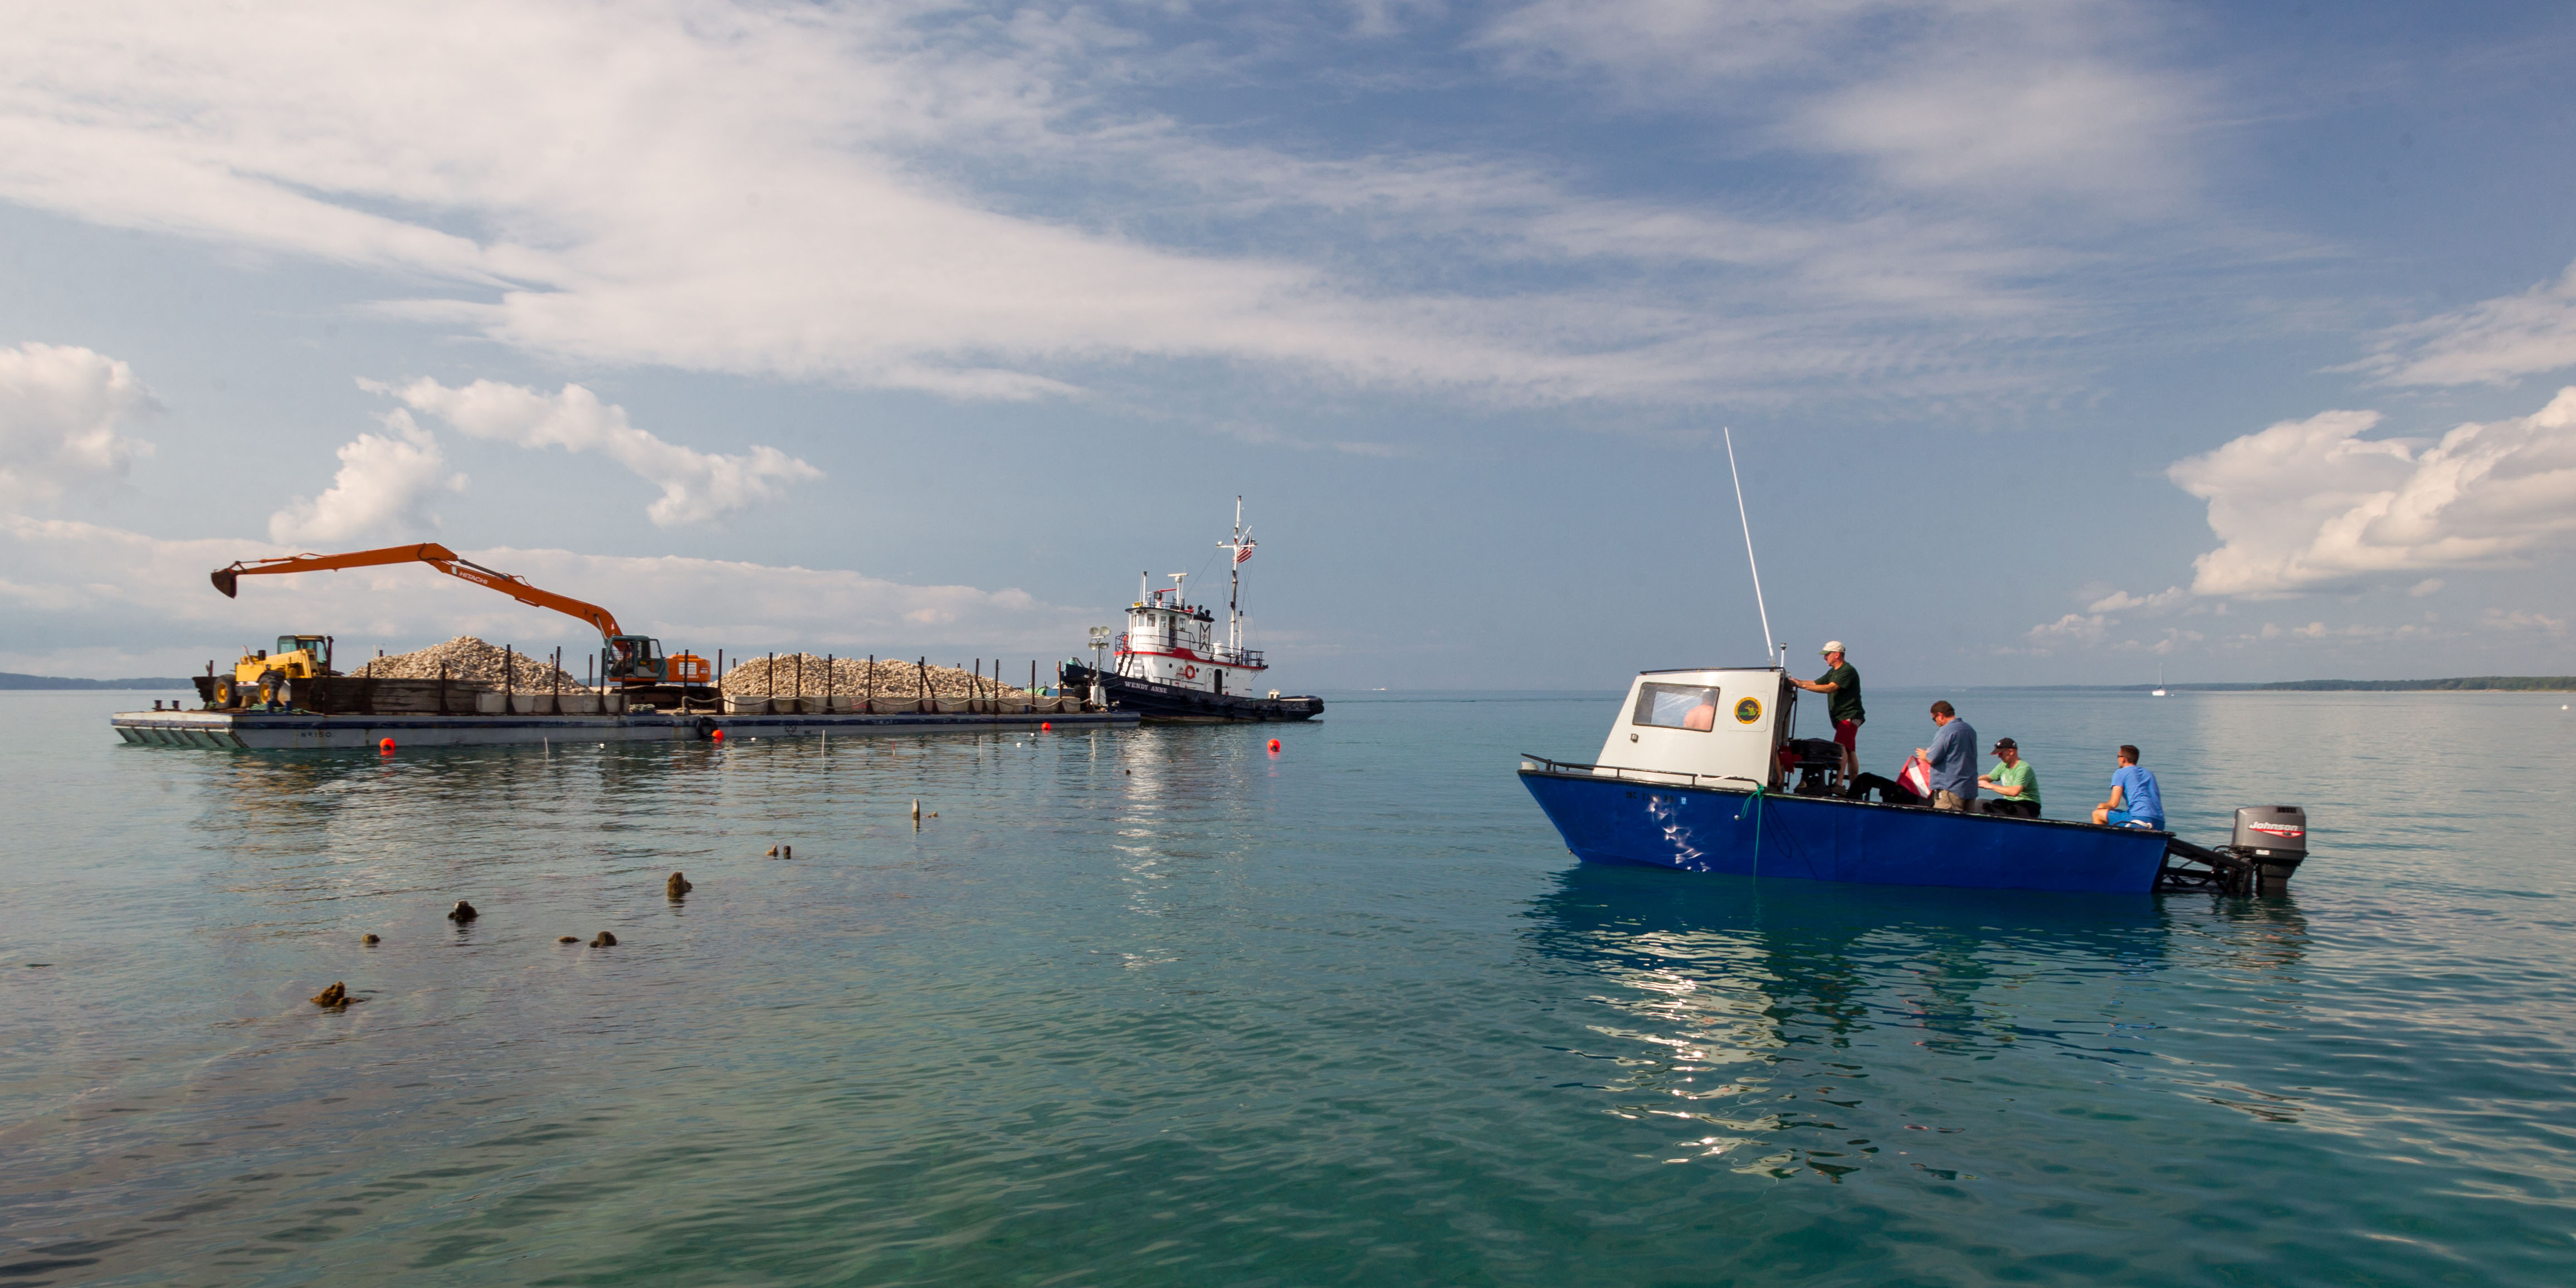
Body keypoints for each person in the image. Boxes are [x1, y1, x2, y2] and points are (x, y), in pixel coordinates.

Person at [1789, 641, 1863, 775]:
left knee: (1841, 748)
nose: (1825, 658)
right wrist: (1797, 682)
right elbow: (1816, 683)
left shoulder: (1847, 671)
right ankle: (1854, 786)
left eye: (1827, 655)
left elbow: (1830, 688)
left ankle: (1839, 784)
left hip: (1849, 716)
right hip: (1846, 717)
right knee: (1850, 751)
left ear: (1837, 654)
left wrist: (1803, 686)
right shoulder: (1833, 672)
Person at [1914, 700, 1978, 812]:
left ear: (1940, 715)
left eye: (1935, 719)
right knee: (1967, 825)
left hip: (1950, 789)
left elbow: (1932, 758)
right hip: (1969, 787)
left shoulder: (1945, 731)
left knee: (1946, 824)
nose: (1936, 722)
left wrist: (1925, 755)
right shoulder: (1969, 729)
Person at [2091, 744, 2165, 830]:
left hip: (2139, 819)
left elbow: (2114, 804)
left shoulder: (2121, 773)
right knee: (2121, 815)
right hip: (2159, 822)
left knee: (2097, 814)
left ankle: (2103, 841)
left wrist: (2103, 805)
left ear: (2123, 759)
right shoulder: (2149, 773)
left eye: (2118, 756)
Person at [1977, 738, 2041, 818]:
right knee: (1980, 803)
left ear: (2011, 752)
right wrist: (1973, 781)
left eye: (2001, 754)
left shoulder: (2024, 768)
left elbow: (2015, 792)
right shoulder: (2003, 765)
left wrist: (1989, 786)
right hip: (2010, 803)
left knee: (1989, 807)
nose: (1999, 757)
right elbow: (1989, 777)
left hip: (2028, 806)